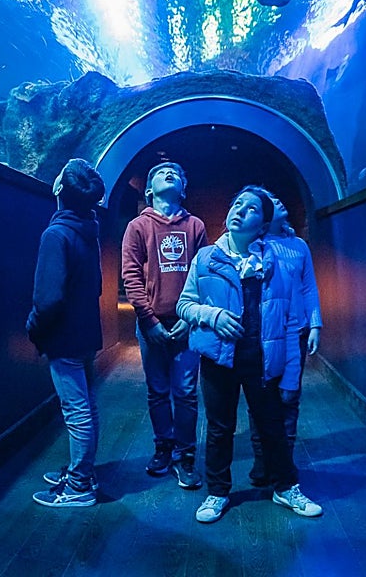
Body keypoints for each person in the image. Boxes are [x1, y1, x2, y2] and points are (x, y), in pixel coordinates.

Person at [177, 186, 323, 524]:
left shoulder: (275, 263)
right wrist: (212, 316)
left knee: (271, 425)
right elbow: (184, 305)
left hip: (261, 359)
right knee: (219, 428)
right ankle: (217, 492)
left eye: (252, 209)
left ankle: (285, 487)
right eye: (237, 203)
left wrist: (289, 372)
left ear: (262, 225)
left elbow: (289, 320)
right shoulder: (206, 258)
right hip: (217, 360)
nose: (240, 211)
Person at [120, 161, 207, 488]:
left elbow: (202, 274)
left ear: (183, 189)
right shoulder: (138, 227)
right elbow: (130, 275)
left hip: (187, 324)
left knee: (185, 392)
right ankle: (163, 447)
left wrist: (191, 315)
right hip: (151, 325)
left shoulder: (195, 225)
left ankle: (185, 455)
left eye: (176, 173)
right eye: (159, 172)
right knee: (157, 390)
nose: (168, 172)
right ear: (149, 190)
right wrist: (148, 319)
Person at [27, 158, 106, 508]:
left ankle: (79, 485)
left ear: (59, 189)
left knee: (76, 411)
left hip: (65, 339)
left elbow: (48, 299)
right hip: (87, 335)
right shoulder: (89, 232)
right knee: (87, 406)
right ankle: (83, 470)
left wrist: (34, 328)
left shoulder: (56, 234)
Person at [248, 191, 323, 487]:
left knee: (290, 398)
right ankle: (261, 461)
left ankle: (284, 461)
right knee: (260, 400)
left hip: (297, 332)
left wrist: (315, 324)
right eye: (269, 201)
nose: (277, 200)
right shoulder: (256, 244)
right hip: (264, 334)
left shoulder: (299, 245)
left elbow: (309, 287)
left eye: (277, 198)